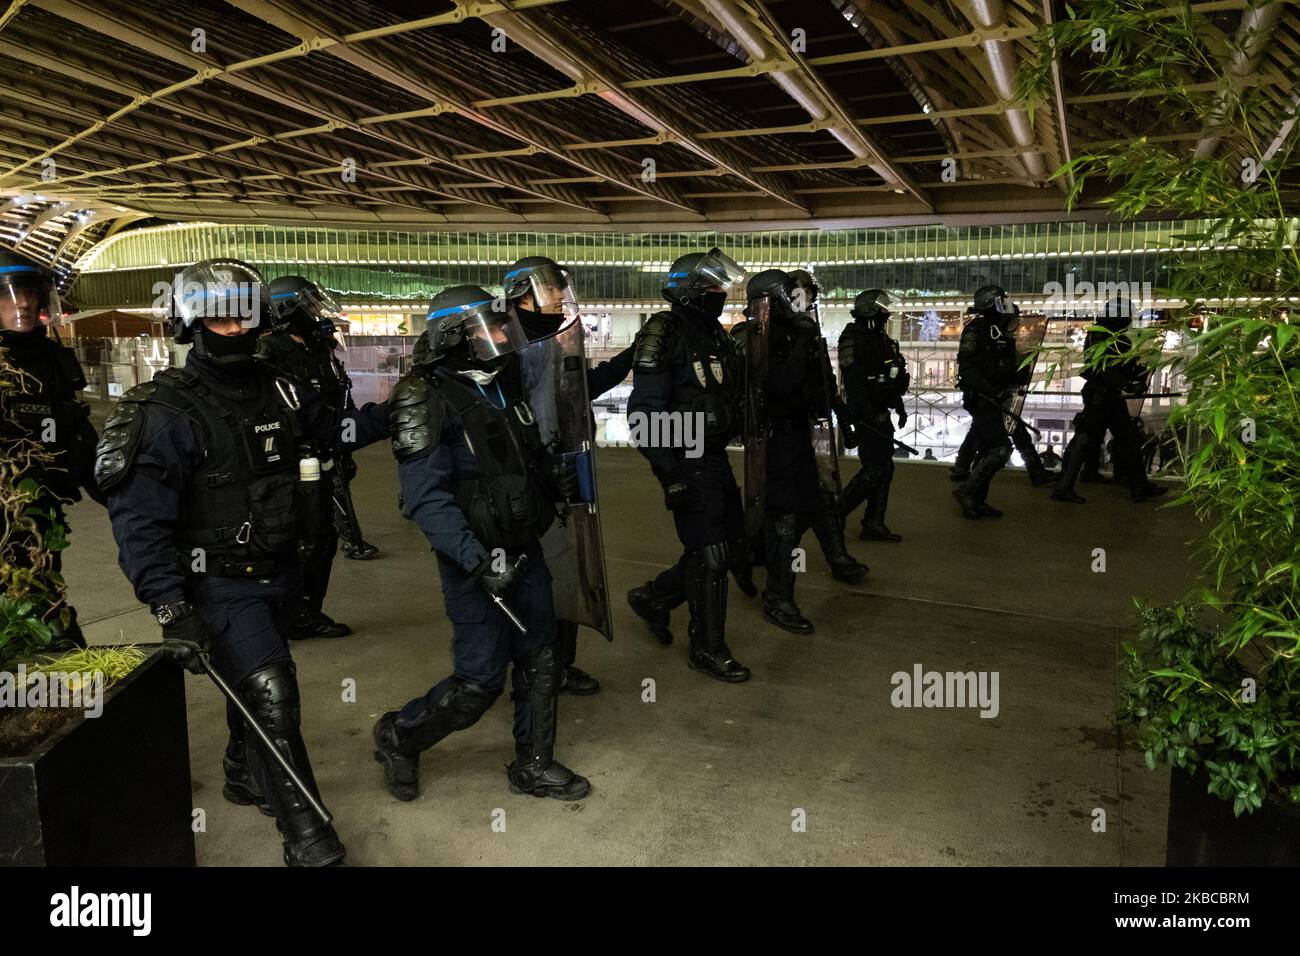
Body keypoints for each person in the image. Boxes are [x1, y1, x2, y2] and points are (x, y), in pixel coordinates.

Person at [96, 258, 390, 866]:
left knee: (251, 686)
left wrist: (407, 404)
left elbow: (336, 432)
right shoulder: (160, 411)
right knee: (273, 695)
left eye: (245, 318)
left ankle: (241, 769)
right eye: (220, 320)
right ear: (189, 325)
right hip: (218, 583)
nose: (236, 330)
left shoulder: (283, 389)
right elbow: (139, 523)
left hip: (283, 571)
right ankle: (310, 839)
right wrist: (171, 606)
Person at [372, 285, 590, 802]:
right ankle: (400, 736)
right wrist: (475, 561)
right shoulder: (423, 396)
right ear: (457, 336)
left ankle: (533, 765)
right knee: (479, 681)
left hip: (525, 547)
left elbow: (522, 456)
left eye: (502, 325)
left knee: (541, 658)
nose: (502, 335)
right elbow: (426, 498)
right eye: (492, 328)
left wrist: (550, 482)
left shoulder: (501, 383)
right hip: (475, 561)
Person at [503, 256, 633, 695]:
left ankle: (559, 664)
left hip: (563, 467)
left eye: (561, 288)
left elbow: (580, 389)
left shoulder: (554, 341)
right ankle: (534, 667)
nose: (560, 296)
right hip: (525, 479)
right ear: (524, 294)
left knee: (568, 569)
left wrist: (630, 357)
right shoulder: (501, 344)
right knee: (536, 576)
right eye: (551, 288)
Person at [624, 248, 751, 682]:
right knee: (711, 554)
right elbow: (642, 414)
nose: (722, 293)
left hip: (712, 455)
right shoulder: (664, 331)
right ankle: (707, 649)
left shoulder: (714, 332)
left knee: (727, 545)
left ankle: (654, 598)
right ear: (694, 292)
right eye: (716, 287)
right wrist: (669, 473)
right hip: (685, 456)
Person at [733, 269, 868, 634]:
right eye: (793, 297)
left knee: (819, 501)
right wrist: (800, 346)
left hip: (803, 434)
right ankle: (776, 595)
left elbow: (821, 382)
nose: (802, 303)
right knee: (785, 519)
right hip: (772, 441)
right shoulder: (752, 336)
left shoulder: (800, 333)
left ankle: (828, 561)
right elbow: (778, 386)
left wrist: (843, 416)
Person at [0, 252, 100, 652]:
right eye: (7, 297)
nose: (21, 304)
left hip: (41, 522)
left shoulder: (54, 361)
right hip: (8, 521)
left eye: (26, 293)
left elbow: (79, 436)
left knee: (47, 628)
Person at [256, 276, 365, 641]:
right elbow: (301, 414)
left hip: (324, 455)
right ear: (289, 310)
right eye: (309, 306)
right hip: (295, 463)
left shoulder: (317, 349)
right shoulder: (272, 353)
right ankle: (291, 614)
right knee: (301, 539)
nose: (317, 313)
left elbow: (338, 396)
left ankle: (304, 610)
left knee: (321, 539)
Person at [1051, 296, 1168, 504]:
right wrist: (1127, 383)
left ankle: (1132, 484)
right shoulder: (1102, 334)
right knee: (1094, 438)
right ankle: (1065, 486)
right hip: (1102, 394)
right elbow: (1101, 368)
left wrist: (1133, 374)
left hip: (1106, 394)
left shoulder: (1108, 334)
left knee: (1106, 438)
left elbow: (1114, 365)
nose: (1129, 319)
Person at [838, 289, 909, 540]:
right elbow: (853, 383)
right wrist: (867, 413)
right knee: (876, 468)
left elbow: (892, 375)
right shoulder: (853, 337)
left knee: (884, 466)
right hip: (866, 412)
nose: (885, 314)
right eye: (881, 309)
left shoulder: (880, 338)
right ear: (869, 310)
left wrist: (898, 406)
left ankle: (873, 522)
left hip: (880, 409)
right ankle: (836, 514)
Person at [951, 285, 1023, 519]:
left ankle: (977, 500)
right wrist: (992, 392)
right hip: (982, 399)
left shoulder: (1000, 330)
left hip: (995, 397)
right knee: (1000, 448)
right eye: (1001, 302)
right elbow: (968, 371)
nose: (1006, 305)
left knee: (985, 451)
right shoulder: (976, 330)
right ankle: (967, 492)